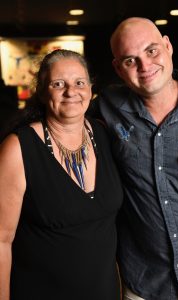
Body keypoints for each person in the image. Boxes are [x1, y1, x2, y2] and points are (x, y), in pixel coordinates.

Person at [88, 17, 178, 300]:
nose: (145, 66)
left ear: (168, 46)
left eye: (151, 50)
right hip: (141, 282)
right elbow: (60, 121)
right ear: (118, 69)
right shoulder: (105, 107)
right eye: (130, 60)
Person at [0, 49, 123, 300]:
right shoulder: (18, 148)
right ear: (43, 92)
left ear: (90, 89)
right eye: (58, 84)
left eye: (79, 82)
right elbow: (1, 239)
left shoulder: (104, 134)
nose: (71, 92)